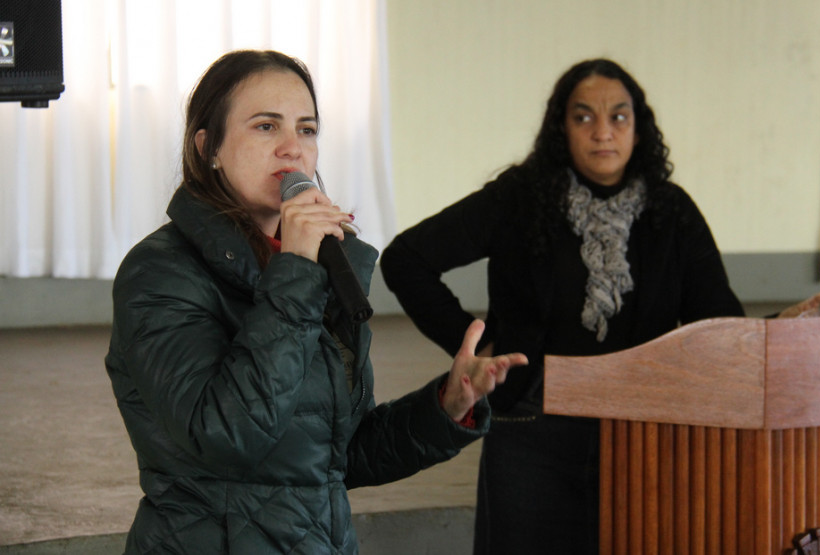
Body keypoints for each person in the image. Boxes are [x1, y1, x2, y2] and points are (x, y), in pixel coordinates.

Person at [380, 58, 820, 554]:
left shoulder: (671, 211)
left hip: (644, 430)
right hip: (534, 424)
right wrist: (480, 346)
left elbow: (716, 323)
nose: (602, 132)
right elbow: (407, 259)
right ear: (562, 128)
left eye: (618, 116)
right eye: (583, 117)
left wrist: (772, 330)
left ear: (638, 128)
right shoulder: (521, 198)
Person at [104, 49, 528, 554]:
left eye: (307, 129)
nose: (293, 149)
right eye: (266, 127)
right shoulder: (159, 273)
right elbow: (226, 435)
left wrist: (446, 405)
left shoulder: (316, 266)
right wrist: (299, 273)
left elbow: (337, 455)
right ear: (207, 146)